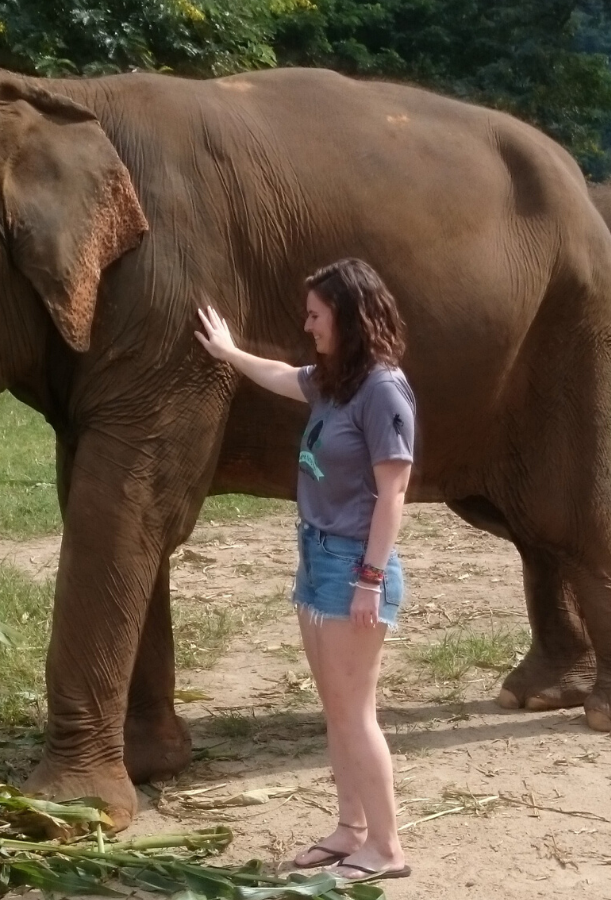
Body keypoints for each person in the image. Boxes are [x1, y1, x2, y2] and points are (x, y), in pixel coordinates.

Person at [194, 258, 416, 882]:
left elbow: (394, 493)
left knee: (356, 711)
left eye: (316, 315)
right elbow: (282, 375)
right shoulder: (334, 381)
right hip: (316, 556)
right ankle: (352, 829)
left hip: (353, 565)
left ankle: (387, 849)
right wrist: (230, 352)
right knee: (336, 706)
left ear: (347, 318)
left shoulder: (382, 390)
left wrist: (370, 579)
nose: (308, 324)